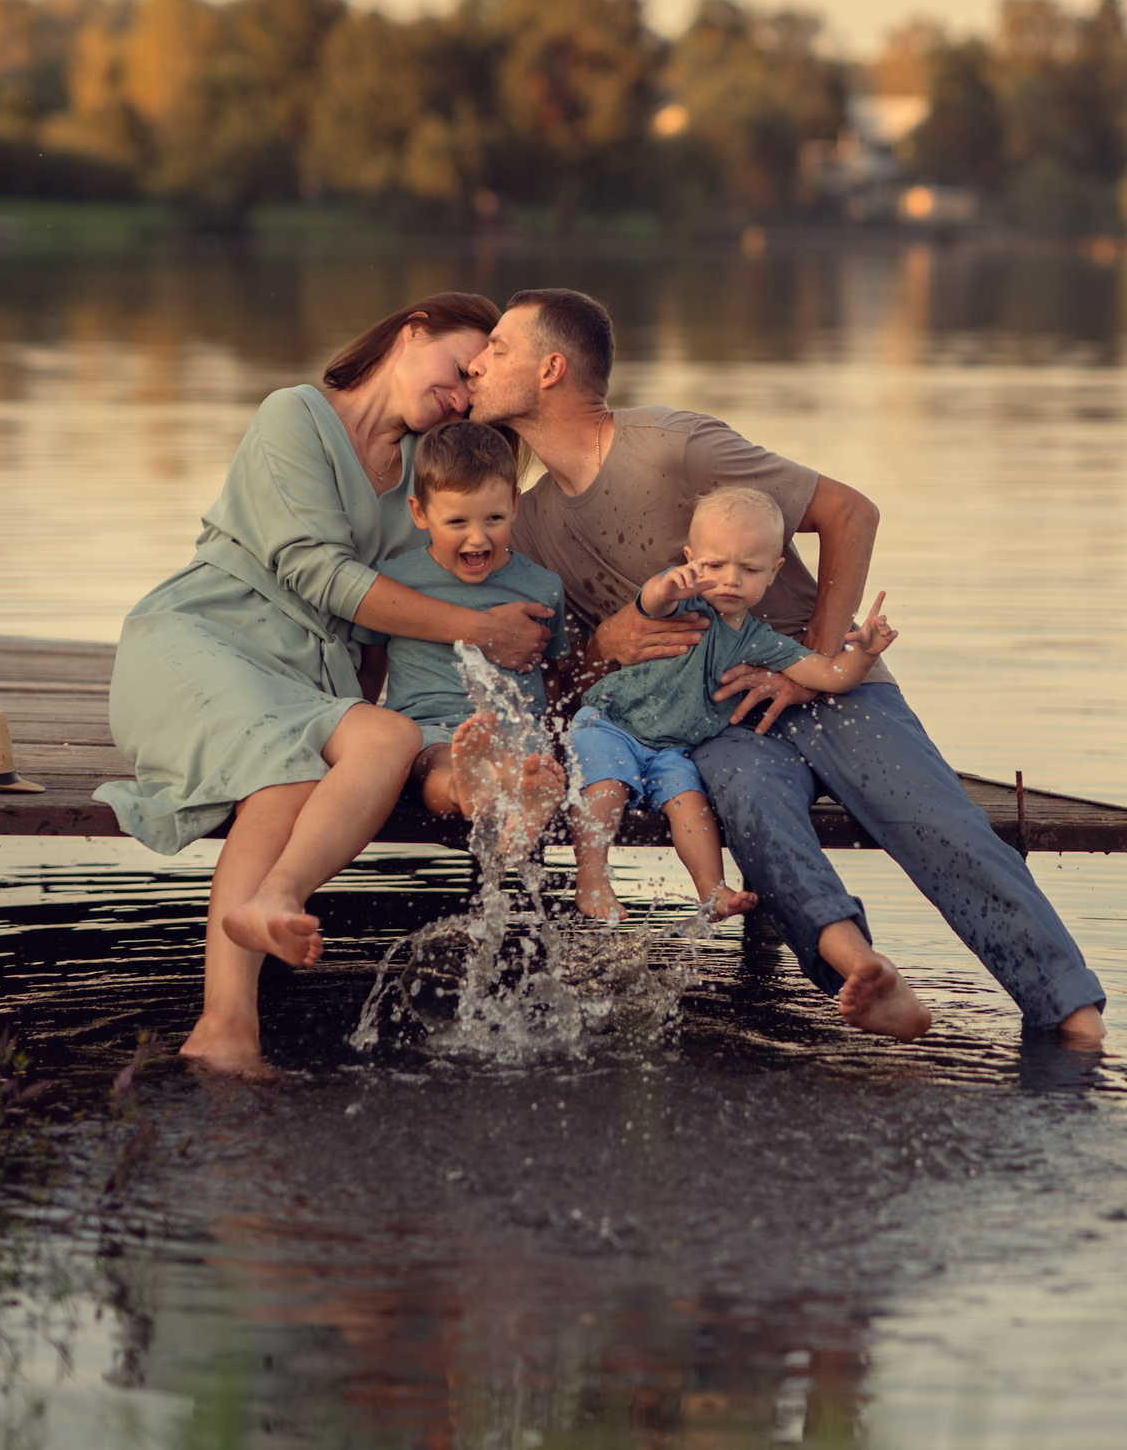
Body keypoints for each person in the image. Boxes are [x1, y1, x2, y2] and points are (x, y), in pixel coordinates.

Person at [467, 287, 1107, 1047]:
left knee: (932, 817)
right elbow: (568, 677)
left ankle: (1071, 1013)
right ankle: (865, 977)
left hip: (830, 686)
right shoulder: (533, 526)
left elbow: (850, 512)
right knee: (755, 818)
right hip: (725, 719)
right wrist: (605, 646)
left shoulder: (672, 445)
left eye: (497, 348)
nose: (476, 364)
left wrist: (814, 664)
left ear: (551, 368)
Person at [99, 294, 554, 1075]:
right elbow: (322, 574)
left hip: (310, 676)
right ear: (413, 331)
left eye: (473, 388)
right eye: (457, 369)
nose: (459, 395)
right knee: (283, 776)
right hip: (206, 637)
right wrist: (478, 629)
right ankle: (228, 1022)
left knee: (390, 734)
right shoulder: (296, 417)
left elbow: (474, 541)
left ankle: (275, 899)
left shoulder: (424, 468)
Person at [568, 485, 897, 925]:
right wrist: (665, 585)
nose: (730, 579)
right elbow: (650, 601)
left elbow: (828, 675)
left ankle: (711, 892)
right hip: (610, 725)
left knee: (690, 803)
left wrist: (866, 653)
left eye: (749, 568)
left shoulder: (757, 641)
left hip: (671, 750)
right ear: (690, 559)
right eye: (715, 564)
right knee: (607, 786)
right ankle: (591, 879)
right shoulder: (680, 601)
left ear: (773, 572)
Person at [367, 419, 569, 856]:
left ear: (516, 505)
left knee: (529, 761)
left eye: (494, 518)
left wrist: (553, 734)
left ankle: (522, 806)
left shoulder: (542, 586)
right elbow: (370, 665)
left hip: (515, 728)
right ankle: (468, 788)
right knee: (434, 765)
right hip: (423, 728)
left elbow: (550, 672)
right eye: (457, 520)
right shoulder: (393, 583)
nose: (478, 537)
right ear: (420, 513)